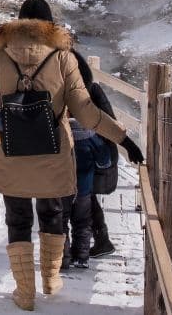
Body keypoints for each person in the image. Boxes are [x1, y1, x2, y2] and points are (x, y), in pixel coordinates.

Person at [0, 0, 143, 311]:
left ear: (19, 22)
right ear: (50, 25)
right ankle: (50, 279)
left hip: (12, 152)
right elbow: (87, 113)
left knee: (17, 219)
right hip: (54, 153)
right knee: (52, 212)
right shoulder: (64, 57)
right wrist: (124, 140)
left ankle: (24, 293)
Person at [65, 52, 120, 264]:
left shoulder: (74, 90)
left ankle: (71, 252)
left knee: (75, 200)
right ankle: (93, 244)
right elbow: (109, 117)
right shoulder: (90, 88)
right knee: (85, 198)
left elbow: (108, 118)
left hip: (83, 149)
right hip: (94, 150)